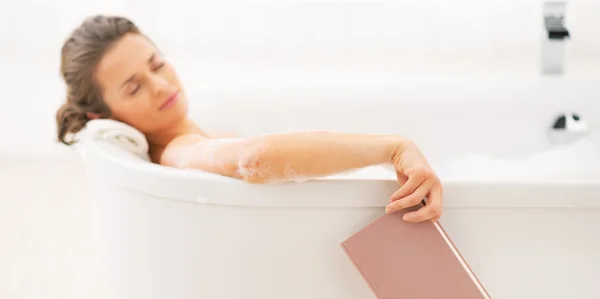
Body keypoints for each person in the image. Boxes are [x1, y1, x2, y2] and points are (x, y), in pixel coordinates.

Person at [56, 15, 443, 223]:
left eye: (157, 64)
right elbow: (254, 159)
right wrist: (392, 148)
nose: (159, 85)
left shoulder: (193, 135)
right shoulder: (179, 150)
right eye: (134, 88)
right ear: (101, 115)